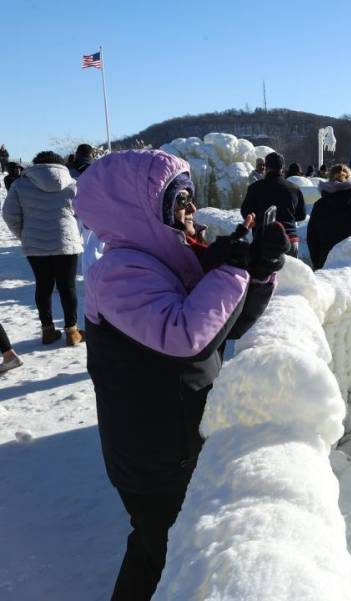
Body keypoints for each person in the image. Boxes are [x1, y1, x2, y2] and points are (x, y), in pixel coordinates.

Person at [75, 149, 289, 600]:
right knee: (158, 549)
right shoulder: (119, 274)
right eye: (179, 201)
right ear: (141, 211)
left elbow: (230, 325)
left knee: (166, 545)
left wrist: (261, 270)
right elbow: (185, 336)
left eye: (191, 199)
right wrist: (230, 268)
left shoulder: (174, 260)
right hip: (150, 451)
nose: (191, 210)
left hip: (178, 434)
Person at [2, 151, 83, 345]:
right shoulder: (72, 184)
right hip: (67, 243)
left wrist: (24, 234)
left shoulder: (20, 184)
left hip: (35, 244)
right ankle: (72, 332)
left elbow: (9, 214)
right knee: (67, 286)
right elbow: (83, 212)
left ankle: (47, 330)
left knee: (43, 285)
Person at [241, 152, 306, 257]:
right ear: (282, 168)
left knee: (265, 273)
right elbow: (301, 215)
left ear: (266, 168)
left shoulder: (255, 188)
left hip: (264, 240)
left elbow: (246, 213)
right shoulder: (294, 188)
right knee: (289, 273)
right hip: (289, 240)